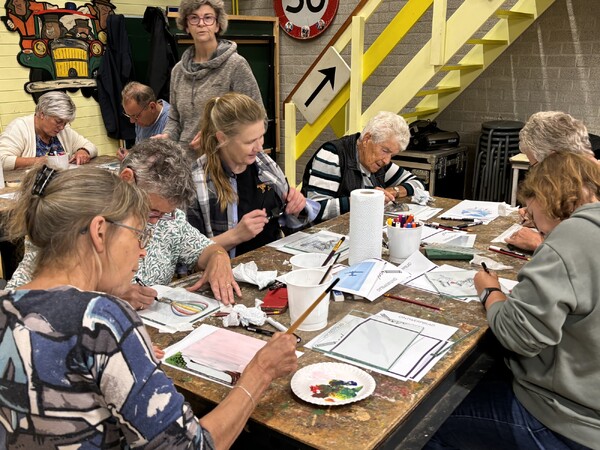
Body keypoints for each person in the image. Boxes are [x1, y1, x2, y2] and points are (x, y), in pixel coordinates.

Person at [0, 165, 298, 448]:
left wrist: (125, 356)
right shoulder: (101, 321)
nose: (142, 250)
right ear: (99, 232)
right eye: (138, 234)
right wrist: (260, 371)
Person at [425, 152, 600, 450]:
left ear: (547, 194)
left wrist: (489, 290)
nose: (530, 220)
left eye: (531, 211)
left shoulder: (574, 234)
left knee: (426, 424)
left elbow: (517, 336)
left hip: (570, 423)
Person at [7, 138, 241, 306]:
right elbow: (22, 295)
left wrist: (219, 257)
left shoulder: (168, 219)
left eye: (164, 214)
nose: (154, 223)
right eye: (152, 212)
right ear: (128, 179)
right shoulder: (75, 213)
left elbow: (205, 248)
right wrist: (108, 298)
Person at [188, 93, 319, 257]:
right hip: (228, 276)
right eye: (249, 142)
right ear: (222, 138)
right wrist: (235, 236)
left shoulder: (265, 164)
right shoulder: (197, 182)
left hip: (272, 265)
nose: (259, 147)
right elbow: (186, 255)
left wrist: (297, 208)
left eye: (262, 136)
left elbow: (293, 226)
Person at [158, 0, 263, 159]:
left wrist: (213, 138)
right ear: (186, 25)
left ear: (217, 25)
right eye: (194, 18)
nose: (201, 24)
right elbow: (174, 119)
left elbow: (257, 119)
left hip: (224, 164)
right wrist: (166, 137)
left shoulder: (235, 65)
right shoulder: (178, 71)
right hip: (186, 165)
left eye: (208, 18)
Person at [301, 111, 424, 223]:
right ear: (366, 140)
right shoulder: (333, 155)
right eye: (385, 150)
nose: (387, 160)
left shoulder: (379, 162)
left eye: (392, 154)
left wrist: (394, 191)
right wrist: (364, 200)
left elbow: (418, 183)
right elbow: (315, 209)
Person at [506, 110, 596, 251]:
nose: (535, 172)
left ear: (554, 159)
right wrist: (545, 215)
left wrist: (543, 245)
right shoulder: (582, 178)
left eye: (535, 165)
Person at [0, 91, 97, 171]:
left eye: (65, 123)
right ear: (42, 114)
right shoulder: (19, 127)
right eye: (58, 121)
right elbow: (3, 160)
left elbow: (91, 146)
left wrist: (83, 151)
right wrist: (38, 161)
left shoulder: (64, 131)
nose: (62, 127)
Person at [118, 81, 171, 159]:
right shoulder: (140, 118)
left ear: (152, 107)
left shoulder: (171, 120)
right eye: (129, 116)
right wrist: (129, 153)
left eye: (135, 116)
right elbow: (140, 151)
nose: (132, 121)